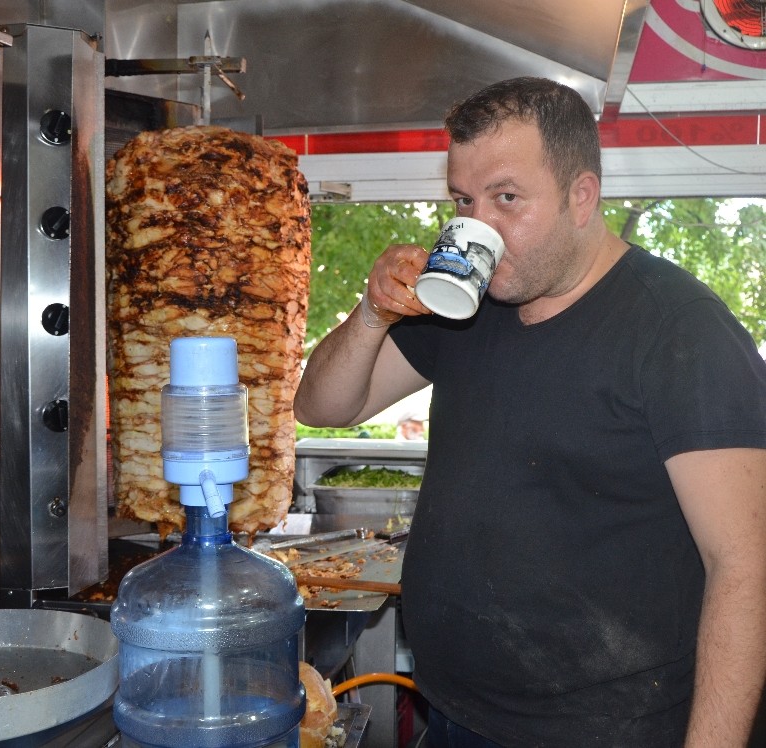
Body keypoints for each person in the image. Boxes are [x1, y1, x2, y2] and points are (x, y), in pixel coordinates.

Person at [293, 77, 766, 747]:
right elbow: (322, 406)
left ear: (582, 196)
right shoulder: (467, 303)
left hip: (608, 730)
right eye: (464, 200)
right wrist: (372, 312)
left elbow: (746, 566)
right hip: (454, 711)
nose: (478, 225)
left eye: (507, 199)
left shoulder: (681, 332)